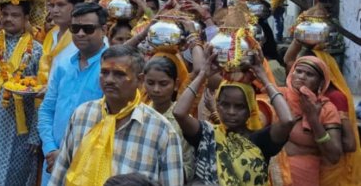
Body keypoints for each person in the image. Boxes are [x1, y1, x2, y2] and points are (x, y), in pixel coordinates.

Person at [48, 45, 185, 186]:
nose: (109, 80)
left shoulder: (162, 130)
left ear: (140, 80)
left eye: (119, 74)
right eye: (104, 72)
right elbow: (61, 170)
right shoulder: (83, 114)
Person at [173, 50, 294, 185]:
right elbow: (179, 113)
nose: (231, 112)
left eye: (239, 106)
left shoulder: (260, 140)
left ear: (251, 109)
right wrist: (203, 75)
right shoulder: (207, 134)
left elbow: (287, 120)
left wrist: (264, 78)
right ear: (217, 104)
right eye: (225, 104)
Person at [0, 1, 44, 186]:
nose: (8, 19)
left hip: (20, 128)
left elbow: (40, 96)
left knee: (17, 178)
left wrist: (35, 134)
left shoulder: (36, 50)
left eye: (15, 15)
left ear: (26, 18)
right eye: (5, 14)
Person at [39, 2, 109, 185]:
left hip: (89, 165)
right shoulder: (63, 65)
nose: (80, 34)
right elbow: (46, 110)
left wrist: (68, 156)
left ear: (104, 29)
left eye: (88, 29)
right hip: (53, 163)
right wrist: (50, 149)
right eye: (75, 28)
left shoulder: (111, 70)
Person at [272, 56, 344, 185]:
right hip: (271, 173)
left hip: (303, 176)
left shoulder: (326, 109)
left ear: (321, 82)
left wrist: (313, 119)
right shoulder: (279, 97)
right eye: (298, 71)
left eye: (309, 74)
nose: (302, 76)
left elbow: (334, 156)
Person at [142, 57, 195, 181]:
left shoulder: (183, 120)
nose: (156, 89)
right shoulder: (140, 114)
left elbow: (189, 166)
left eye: (163, 84)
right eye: (150, 83)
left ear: (176, 85)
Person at [37, 0, 85, 86]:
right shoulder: (51, 34)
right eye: (52, 5)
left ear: (77, 6)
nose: (54, 10)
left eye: (61, 5)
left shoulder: (86, 37)